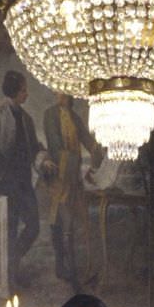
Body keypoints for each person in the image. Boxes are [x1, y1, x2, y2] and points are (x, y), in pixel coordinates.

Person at [0, 70, 56, 288]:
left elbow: (35, 149)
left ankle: (11, 265)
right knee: (9, 231)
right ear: (14, 90)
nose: (26, 93)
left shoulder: (26, 119)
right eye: (23, 89)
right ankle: (8, 278)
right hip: (4, 181)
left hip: (23, 182)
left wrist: (43, 162)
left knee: (33, 227)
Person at [43, 92, 102, 289]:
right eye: (58, 92)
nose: (61, 96)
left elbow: (86, 138)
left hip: (73, 176)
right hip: (58, 175)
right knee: (58, 220)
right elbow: (55, 144)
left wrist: (95, 148)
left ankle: (74, 271)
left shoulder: (75, 117)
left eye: (65, 93)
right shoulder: (50, 114)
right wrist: (70, 163)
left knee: (71, 223)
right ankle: (63, 265)